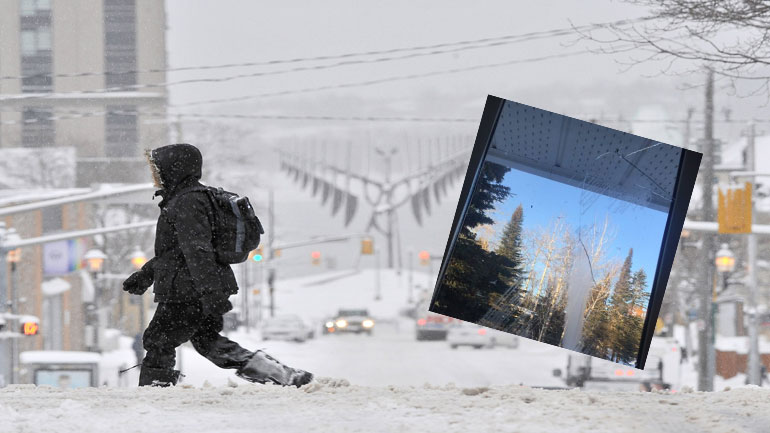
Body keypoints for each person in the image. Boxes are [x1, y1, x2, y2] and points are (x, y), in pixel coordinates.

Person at [122, 143, 313, 388]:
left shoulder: (188, 201)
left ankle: (155, 392)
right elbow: (176, 252)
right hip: (193, 285)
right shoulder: (187, 199)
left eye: (156, 169)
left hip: (189, 289)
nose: (154, 175)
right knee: (207, 341)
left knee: (159, 340)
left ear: (174, 169)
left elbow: (197, 251)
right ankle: (283, 375)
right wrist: (146, 275)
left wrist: (210, 293)